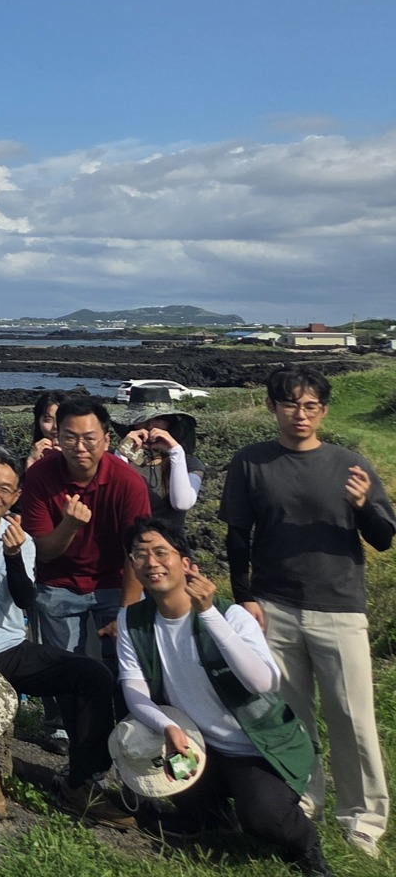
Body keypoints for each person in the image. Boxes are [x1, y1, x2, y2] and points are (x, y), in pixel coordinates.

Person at [220, 366, 395, 857]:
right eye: (291, 404)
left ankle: (364, 817)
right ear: (272, 406)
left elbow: (383, 537)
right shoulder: (251, 461)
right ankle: (304, 794)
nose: (301, 414)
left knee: (351, 717)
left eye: (311, 405)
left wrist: (364, 506)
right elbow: (237, 534)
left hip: (338, 607)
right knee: (289, 715)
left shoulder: (349, 463)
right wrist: (245, 597)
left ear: (324, 410)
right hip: (275, 605)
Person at [0, 448, 126, 826]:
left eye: (5, 489)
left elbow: (25, 600)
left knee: (92, 675)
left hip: (9, 647)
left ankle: (80, 781)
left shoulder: (21, 539)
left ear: (16, 497)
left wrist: (13, 557)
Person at [118, 519, 331, 876]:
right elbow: (133, 688)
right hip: (197, 742)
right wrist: (167, 726)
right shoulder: (133, 620)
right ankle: (207, 814)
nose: (151, 562)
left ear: (187, 564)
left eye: (161, 552)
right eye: (140, 555)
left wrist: (209, 614)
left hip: (256, 748)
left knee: (264, 818)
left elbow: (262, 682)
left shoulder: (230, 615)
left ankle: (305, 847)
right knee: (147, 738)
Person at [19, 395, 150, 756]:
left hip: (114, 581)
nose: (80, 447)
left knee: (124, 660)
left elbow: (136, 553)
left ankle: (129, 726)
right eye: (70, 437)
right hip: (58, 581)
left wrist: (127, 611)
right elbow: (42, 550)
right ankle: (61, 728)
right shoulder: (40, 477)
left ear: (106, 439)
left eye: (89, 438)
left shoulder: (128, 482)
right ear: (57, 436)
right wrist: (70, 525)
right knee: (62, 662)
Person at [112, 386, 204, 535]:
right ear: (132, 423)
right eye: (142, 420)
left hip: (169, 548)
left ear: (170, 423)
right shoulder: (115, 458)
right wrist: (122, 452)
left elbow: (181, 503)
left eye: (159, 419)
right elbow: (116, 498)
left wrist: (176, 451)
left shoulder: (189, 463)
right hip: (124, 546)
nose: (150, 427)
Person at [26, 390, 65, 471]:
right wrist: (31, 462)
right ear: (38, 422)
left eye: (61, 419)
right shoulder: (25, 461)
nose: (55, 426)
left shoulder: (83, 458)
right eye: (48, 420)